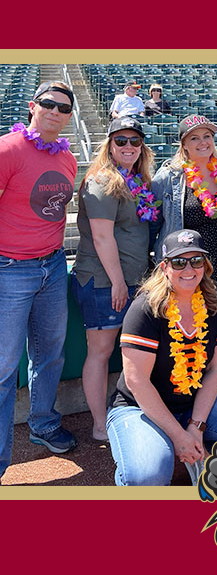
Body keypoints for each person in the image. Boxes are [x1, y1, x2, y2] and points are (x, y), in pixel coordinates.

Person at [106, 229, 217, 485]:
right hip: (139, 408)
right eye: (179, 262)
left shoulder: (214, 303)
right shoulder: (145, 308)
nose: (188, 269)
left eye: (196, 260)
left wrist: (196, 426)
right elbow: (138, 383)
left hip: (190, 403)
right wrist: (179, 436)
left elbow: (214, 370)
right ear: (165, 268)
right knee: (147, 474)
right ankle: (150, 456)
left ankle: (196, 456)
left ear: (206, 265)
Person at [0, 81, 78, 479]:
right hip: (10, 269)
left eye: (63, 108)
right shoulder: (7, 149)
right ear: (32, 107)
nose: (55, 111)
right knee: (3, 367)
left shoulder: (67, 157)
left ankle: (43, 425)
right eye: (48, 104)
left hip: (51, 267)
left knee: (49, 355)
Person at [71, 117, 157, 441]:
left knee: (133, 351)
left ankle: (130, 409)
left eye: (135, 141)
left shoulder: (136, 180)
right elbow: (103, 238)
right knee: (101, 350)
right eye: (121, 140)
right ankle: (98, 423)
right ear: (109, 145)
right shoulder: (101, 181)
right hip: (104, 281)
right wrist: (119, 283)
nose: (129, 147)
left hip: (135, 280)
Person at [150, 114, 217, 327]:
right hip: (189, 269)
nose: (202, 142)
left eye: (207, 136)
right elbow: (153, 225)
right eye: (194, 138)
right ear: (184, 144)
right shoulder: (168, 177)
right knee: (193, 329)